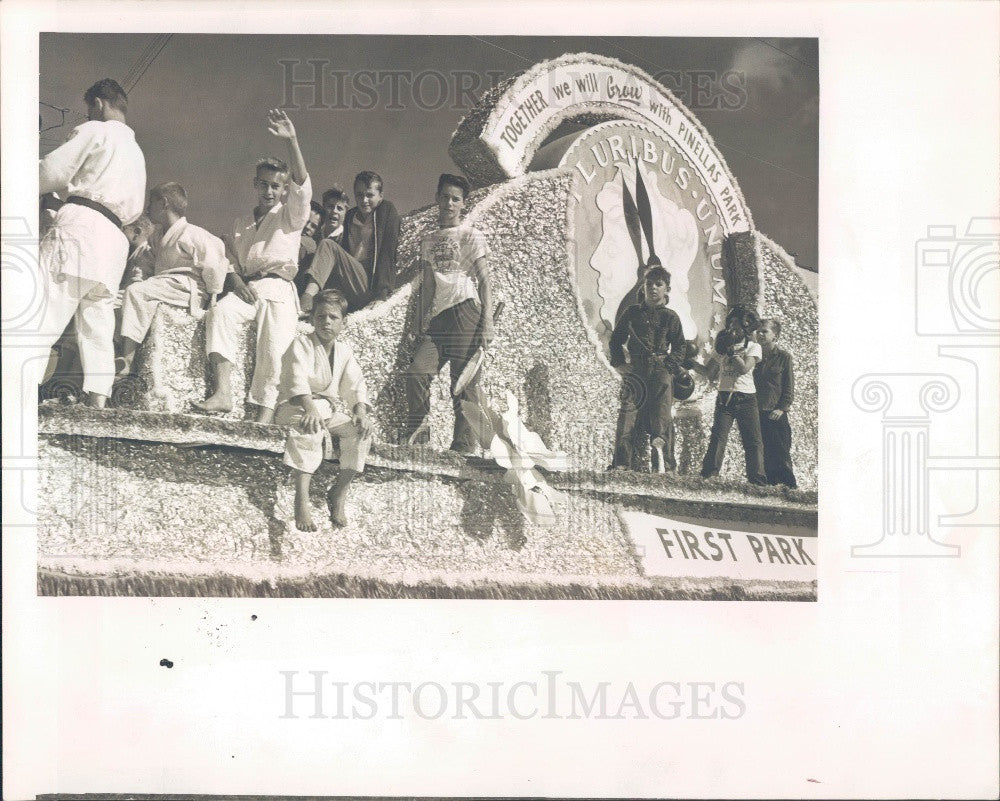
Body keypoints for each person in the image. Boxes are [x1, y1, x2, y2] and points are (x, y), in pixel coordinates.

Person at [193, 109, 312, 423]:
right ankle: (223, 393)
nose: (269, 191)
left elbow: (302, 184)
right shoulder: (241, 223)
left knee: (273, 351)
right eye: (263, 184)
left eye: (275, 186)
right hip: (250, 288)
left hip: (279, 288)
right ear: (255, 185)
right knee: (219, 313)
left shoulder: (291, 215)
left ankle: (264, 415)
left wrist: (293, 141)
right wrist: (234, 280)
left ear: (283, 189)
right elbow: (230, 259)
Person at [37, 78, 146, 408]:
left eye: (89, 110)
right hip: (114, 239)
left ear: (98, 103)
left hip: (82, 225)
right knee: (97, 321)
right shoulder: (137, 154)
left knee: (45, 310)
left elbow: (52, 170)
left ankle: (17, 391)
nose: (87, 116)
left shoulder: (96, 131)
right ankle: (99, 398)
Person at [401, 173, 493, 453]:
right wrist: (419, 323)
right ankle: (420, 435)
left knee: (463, 382)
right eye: (445, 197)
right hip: (439, 319)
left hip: (466, 311)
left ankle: (463, 447)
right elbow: (428, 285)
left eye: (455, 199)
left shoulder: (471, 235)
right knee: (418, 372)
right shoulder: (428, 240)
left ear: (463, 204)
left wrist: (487, 320)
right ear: (437, 198)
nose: (449, 203)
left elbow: (485, 280)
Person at [275, 290, 372, 530]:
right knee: (311, 428)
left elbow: (354, 385)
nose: (326, 322)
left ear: (343, 322)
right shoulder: (301, 344)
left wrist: (360, 412)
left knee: (360, 432)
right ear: (312, 320)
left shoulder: (344, 352)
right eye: (321, 317)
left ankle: (339, 492)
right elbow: (294, 379)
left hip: (326, 410)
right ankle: (301, 502)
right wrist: (309, 407)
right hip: (296, 407)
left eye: (333, 317)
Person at [115, 182, 229, 375]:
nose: (148, 207)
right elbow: (146, 264)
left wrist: (212, 297)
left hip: (187, 286)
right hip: (161, 285)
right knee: (115, 299)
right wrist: (135, 281)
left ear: (163, 203)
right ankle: (113, 351)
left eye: (152, 202)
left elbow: (214, 265)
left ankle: (128, 359)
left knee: (137, 292)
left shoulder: (193, 233)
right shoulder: (156, 237)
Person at [608, 265, 686, 472]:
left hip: (661, 372)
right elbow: (616, 340)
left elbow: (680, 346)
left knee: (662, 420)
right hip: (636, 371)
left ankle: (665, 467)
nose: (653, 288)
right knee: (627, 417)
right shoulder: (632, 313)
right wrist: (619, 364)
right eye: (649, 284)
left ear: (667, 289)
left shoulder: (671, 317)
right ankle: (622, 465)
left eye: (658, 284)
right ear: (643, 287)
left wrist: (669, 367)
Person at [694, 306, 768, 485]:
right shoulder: (722, 347)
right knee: (718, 437)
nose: (732, 328)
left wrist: (732, 353)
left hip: (746, 398)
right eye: (730, 323)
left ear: (746, 327)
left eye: (736, 323)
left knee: (752, 440)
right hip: (724, 397)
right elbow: (709, 373)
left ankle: (757, 481)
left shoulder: (754, 346)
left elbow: (743, 368)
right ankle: (709, 476)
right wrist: (688, 362)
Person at [315, 170, 400, 311]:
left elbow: (387, 251)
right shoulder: (350, 216)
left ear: (380, 196)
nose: (364, 200)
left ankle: (309, 298)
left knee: (328, 245)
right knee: (324, 247)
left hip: (370, 283)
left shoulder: (386, 211)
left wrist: (382, 294)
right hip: (351, 279)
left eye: (369, 195)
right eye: (359, 195)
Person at [753, 318, 798, 488]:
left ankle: (789, 488)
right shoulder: (753, 357)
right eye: (758, 331)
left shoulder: (784, 358)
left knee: (780, 453)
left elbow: (789, 387)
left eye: (765, 331)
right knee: (762, 453)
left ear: (775, 336)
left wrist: (781, 408)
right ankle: (767, 487)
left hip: (775, 413)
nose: (760, 334)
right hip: (756, 412)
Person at [295, 201, 326, 295]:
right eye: (306, 221)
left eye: (313, 226)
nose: (308, 227)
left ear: (317, 231)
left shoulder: (309, 245)